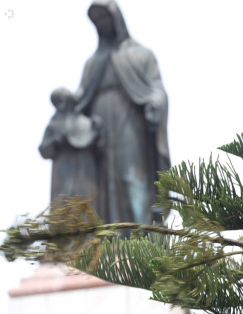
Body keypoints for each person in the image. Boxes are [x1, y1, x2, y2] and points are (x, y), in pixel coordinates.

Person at [72, 0, 170, 225]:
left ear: (117, 19)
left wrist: (154, 103)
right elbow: (80, 99)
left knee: (132, 179)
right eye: (98, 22)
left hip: (130, 123)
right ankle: (109, 244)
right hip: (101, 129)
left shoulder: (141, 54)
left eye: (105, 18)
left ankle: (142, 239)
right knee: (104, 185)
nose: (102, 24)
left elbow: (157, 89)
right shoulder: (92, 63)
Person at [39, 87, 101, 207]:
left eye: (62, 100)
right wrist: (56, 141)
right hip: (63, 170)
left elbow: (100, 152)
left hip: (86, 170)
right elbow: (43, 150)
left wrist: (98, 135)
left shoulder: (87, 123)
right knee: (63, 204)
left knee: (88, 204)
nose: (61, 105)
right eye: (57, 103)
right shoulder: (54, 124)